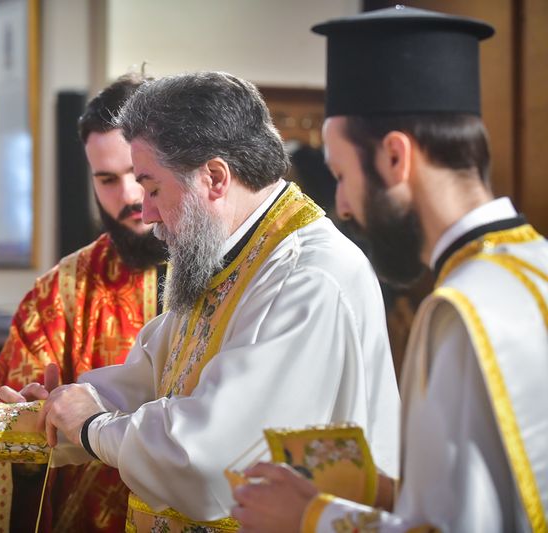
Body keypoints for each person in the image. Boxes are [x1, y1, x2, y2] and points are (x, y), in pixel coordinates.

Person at [0, 71, 401, 532]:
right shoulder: (228, 255)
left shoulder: (306, 275)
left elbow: (205, 458)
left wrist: (89, 425)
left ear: (215, 178)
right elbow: (141, 387)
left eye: (151, 186)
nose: (144, 211)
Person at [230, 6, 548, 533]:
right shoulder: (533, 267)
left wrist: (309, 517)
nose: (343, 207)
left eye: (341, 175)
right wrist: (380, 493)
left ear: (395, 158)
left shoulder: (463, 312)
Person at [0, 73, 167, 533]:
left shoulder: (233, 277)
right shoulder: (63, 292)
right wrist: (30, 432)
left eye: (138, 175)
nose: (128, 196)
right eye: (107, 180)